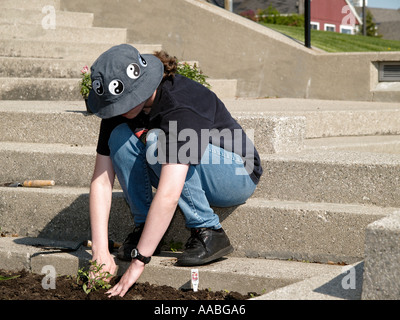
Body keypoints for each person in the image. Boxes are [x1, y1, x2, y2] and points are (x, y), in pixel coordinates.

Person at [87, 44, 262, 297]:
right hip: (184, 167)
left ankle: (209, 231)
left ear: (143, 84)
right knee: (119, 138)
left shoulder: (180, 102)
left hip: (236, 173)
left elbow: (168, 193)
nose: (121, 110)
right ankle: (146, 228)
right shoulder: (118, 106)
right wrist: (100, 252)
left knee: (158, 142)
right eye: (115, 105)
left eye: (125, 102)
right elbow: (101, 182)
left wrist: (139, 263)